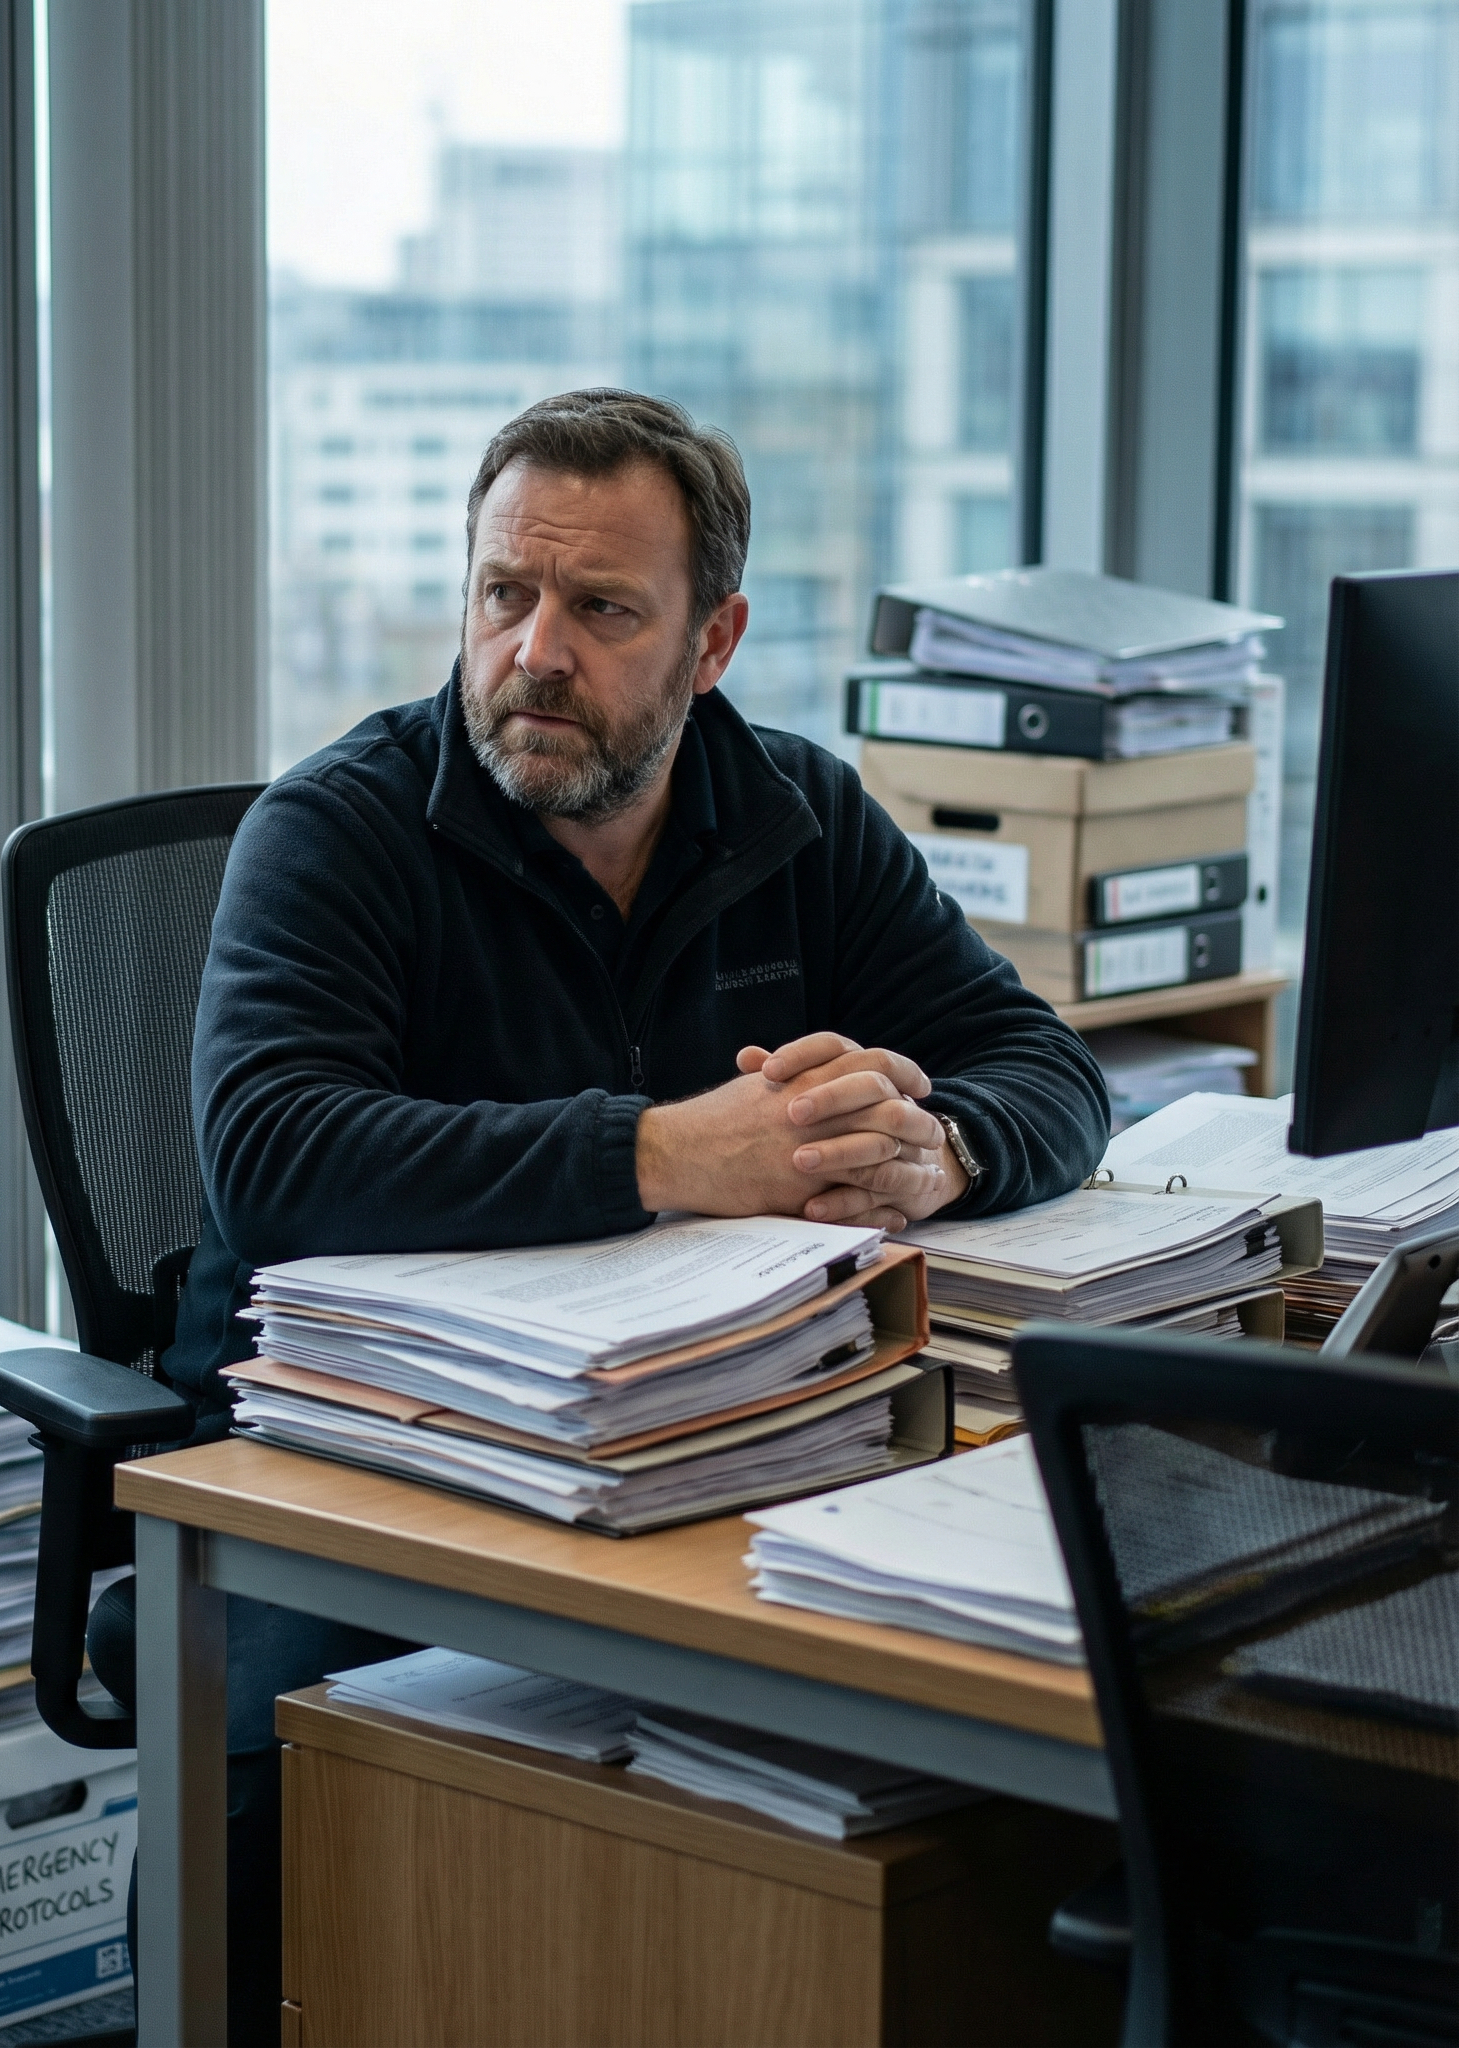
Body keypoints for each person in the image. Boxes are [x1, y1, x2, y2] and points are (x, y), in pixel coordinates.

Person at [94, 389, 1109, 2040]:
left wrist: (947, 1153)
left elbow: (1043, 1065)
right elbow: (273, 1152)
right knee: (296, 1835)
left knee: (945, 1761)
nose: (533, 652)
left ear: (712, 641)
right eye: (506, 593)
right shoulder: (340, 831)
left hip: (706, 1436)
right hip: (350, 1465)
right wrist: (666, 1153)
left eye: (600, 609)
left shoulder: (795, 815)